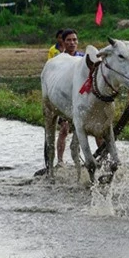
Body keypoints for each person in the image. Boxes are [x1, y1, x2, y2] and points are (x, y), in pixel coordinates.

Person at [55, 28, 85, 166]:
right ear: (63, 42)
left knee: (95, 129)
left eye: (74, 40)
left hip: (81, 100)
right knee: (64, 129)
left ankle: (100, 157)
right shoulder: (58, 60)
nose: (72, 43)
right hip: (65, 99)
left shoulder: (84, 58)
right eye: (68, 40)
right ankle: (60, 160)